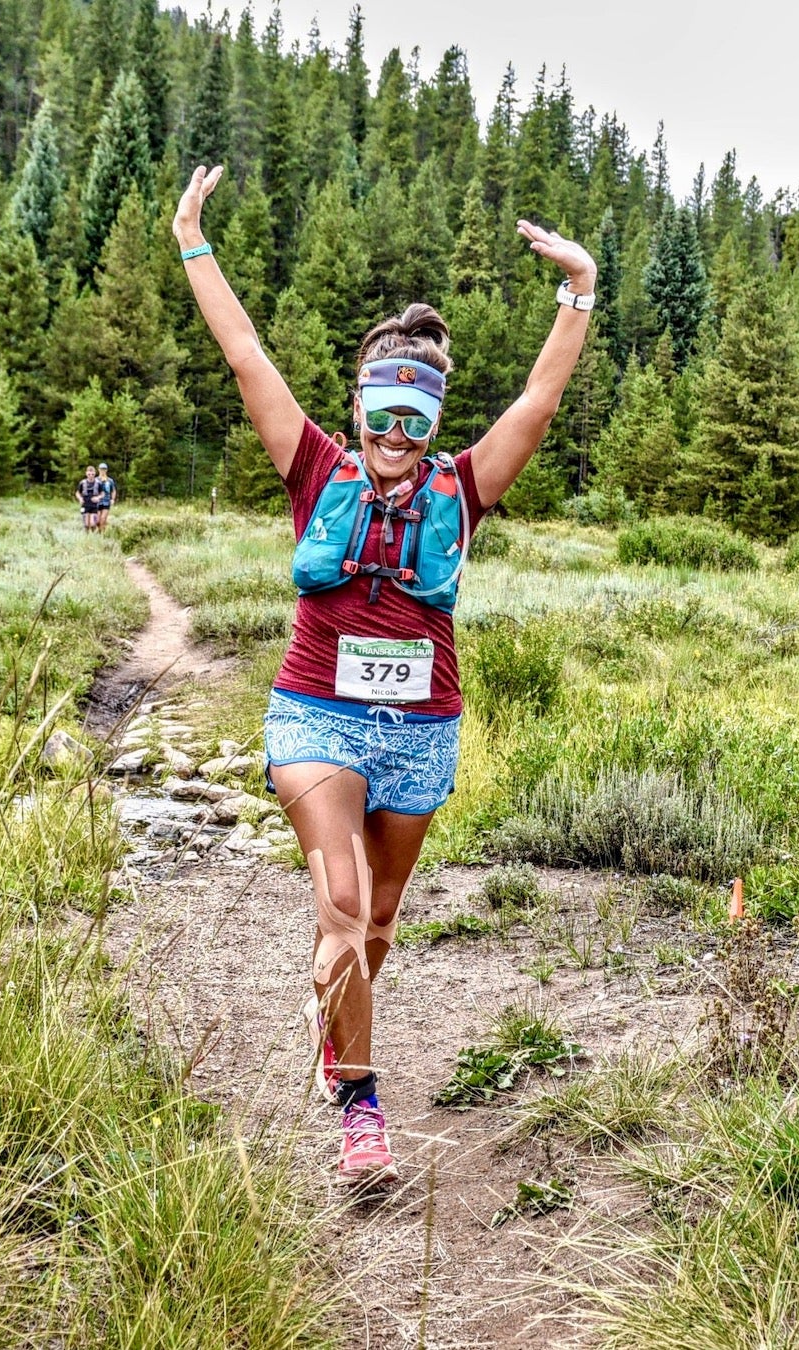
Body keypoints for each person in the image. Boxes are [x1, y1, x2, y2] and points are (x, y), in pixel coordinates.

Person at [174, 164, 596, 1187]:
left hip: (420, 734)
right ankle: (362, 1110)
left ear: (435, 422)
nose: (394, 438)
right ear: (357, 407)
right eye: (380, 415)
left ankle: (337, 1033)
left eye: (415, 421)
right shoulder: (315, 467)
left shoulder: (465, 487)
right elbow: (244, 356)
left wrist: (579, 289)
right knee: (342, 906)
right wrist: (193, 236)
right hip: (316, 718)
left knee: (379, 924)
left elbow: (539, 400)